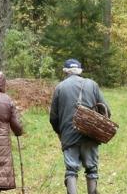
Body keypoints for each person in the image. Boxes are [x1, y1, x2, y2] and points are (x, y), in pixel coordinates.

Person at [49, 59, 111, 194]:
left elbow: (53, 118)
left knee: (71, 170)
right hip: (90, 134)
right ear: (80, 71)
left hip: (69, 136)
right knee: (92, 170)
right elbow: (106, 110)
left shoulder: (60, 87)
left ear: (65, 71)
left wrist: (60, 133)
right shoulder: (92, 85)